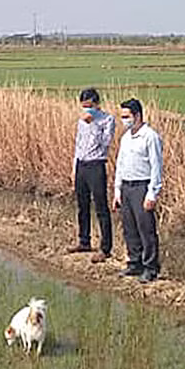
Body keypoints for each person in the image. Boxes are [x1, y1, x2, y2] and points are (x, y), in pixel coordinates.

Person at [113, 98, 163, 283]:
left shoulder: (150, 137)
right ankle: (135, 263)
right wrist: (117, 190)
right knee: (129, 227)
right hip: (126, 185)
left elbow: (157, 166)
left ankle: (151, 267)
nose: (124, 120)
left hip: (142, 186)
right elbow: (120, 164)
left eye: (126, 116)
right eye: (122, 116)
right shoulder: (126, 137)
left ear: (137, 115)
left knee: (146, 229)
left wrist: (152, 193)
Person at [70, 87, 115, 262]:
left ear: (96, 104)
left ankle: (105, 247)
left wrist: (93, 123)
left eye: (89, 106)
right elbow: (78, 144)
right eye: (83, 106)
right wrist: (74, 167)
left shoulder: (107, 120)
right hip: (82, 164)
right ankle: (84, 240)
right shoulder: (81, 121)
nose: (86, 110)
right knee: (82, 205)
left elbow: (104, 143)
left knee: (101, 206)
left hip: (96, 165)